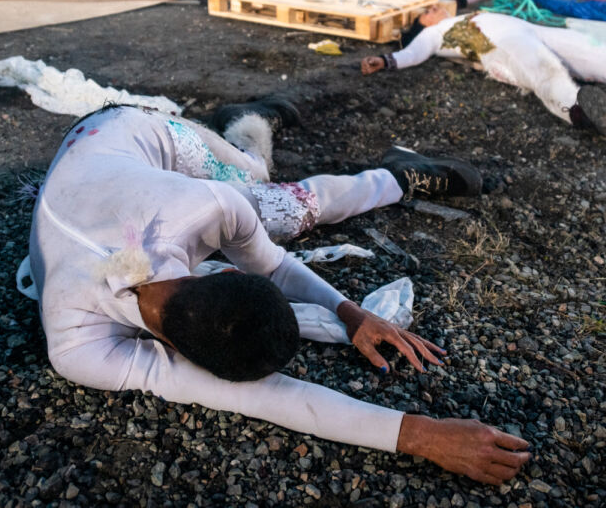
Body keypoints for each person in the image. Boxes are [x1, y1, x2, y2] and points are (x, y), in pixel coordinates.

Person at [28, 102, 532, 484]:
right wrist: (420, 435)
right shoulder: (75, 342)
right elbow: (263, 399)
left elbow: (274, 264)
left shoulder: (205, 208)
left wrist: (349, 312)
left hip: (123, 131)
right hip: (99, 163)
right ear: (219, 273)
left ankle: (368, 168)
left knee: (277, 202)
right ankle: (395, 176)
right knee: (277, 205)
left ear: (223, 274)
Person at [360, 5, 606, 136]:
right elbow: (412, 53)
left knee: (605, 58)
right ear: (423, 22)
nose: (434, 8)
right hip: (496, 47)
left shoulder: (463, 13)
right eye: (426, 11)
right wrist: (386, 60)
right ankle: (582, 113)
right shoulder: (433, 33)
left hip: (528, 29)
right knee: (546, 75)